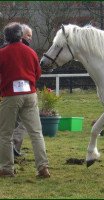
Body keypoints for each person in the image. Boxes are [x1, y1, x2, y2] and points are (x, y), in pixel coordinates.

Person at [0, 22, 50, 178]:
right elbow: (38, 73)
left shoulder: (2, 53)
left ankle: (7, 169)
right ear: (20, 36)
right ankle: (42, 167)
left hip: (10, 95)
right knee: (36, 133)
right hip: (30, 94)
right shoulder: (31, 52)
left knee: (5, 134)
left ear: (6, 37)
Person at [12, 24, 33, 157]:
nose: (30, 38)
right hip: (22, 91)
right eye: (28, 35)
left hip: (7, 91)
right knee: (24, 121)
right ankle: (14, 146)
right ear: (21, 34)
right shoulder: (27, 51)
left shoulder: (5, 48)